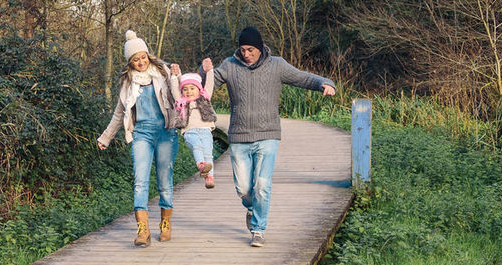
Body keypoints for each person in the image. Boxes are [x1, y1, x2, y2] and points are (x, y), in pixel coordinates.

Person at [205, 26, 336, 247]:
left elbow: (302, 78)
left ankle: (258, 229)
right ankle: (252, 208)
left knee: (263, 185)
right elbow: (203, 87)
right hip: (238, 135)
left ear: (259, 48)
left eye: (250, 49)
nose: (246, 54)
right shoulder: (229, 65)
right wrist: (203, 71)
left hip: (268, 136)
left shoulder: (277, 65)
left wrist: (324, 82)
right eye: (242, 49)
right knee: (244, 189)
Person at [97, 30, 183, 247]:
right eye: (135, 59)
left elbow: (180, 95)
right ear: (130, 62)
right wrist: (106, 137)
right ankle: (143, 230)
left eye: (143, 57)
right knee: (140, 181)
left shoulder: (162, 72)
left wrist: (178, 76)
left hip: (166, 132)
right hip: (141, 134)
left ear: (148, 55)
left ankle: (165, 222)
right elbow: (119, 113)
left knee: (164, 180)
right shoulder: (127, 82)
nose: (141, 62)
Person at [173, 59, 218, 189]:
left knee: (208, 152)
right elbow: (174, 89)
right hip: (190, 131)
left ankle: (209, 177)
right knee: (197, 146)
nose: (189, 92)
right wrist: (174, 76)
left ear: (199, 89)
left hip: (205, 130)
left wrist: (209, 71)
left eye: (192, 88)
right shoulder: (181, 102)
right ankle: (201, 165)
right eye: (185, 89)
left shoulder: (204, 99)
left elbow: (209, 84)